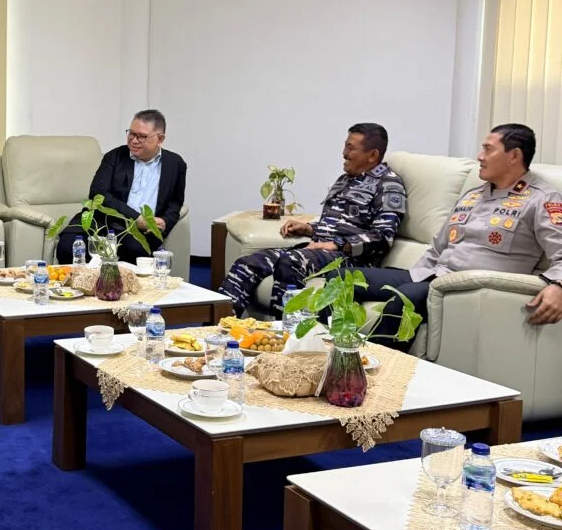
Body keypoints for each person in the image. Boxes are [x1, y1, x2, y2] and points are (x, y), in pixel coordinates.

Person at [357, 123, 562, 351]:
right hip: (431, 276)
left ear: (514, 155)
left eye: (488, 149)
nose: (480, 156)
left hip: (466, 290)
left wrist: (558, 286)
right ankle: (331, 356)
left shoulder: (541, 199)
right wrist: (414, 276)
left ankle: (370, 367)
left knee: (406, 297)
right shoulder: (472, 196)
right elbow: (437, 247)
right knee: (343, 279)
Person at [219, 123, 406, 316]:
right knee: (248, 263)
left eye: (350, 148)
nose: (344, 153)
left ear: (372, 155)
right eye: (345, 146)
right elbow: (337, 225)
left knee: (292, 261)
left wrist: (336, 244)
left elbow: (382, 238)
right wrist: (308, 229)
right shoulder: (345, 180)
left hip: (354, 261)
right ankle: (218, 326)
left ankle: (283, 330)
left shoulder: (389, 185)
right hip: (319, 251)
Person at [55, 109, 187, 265]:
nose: (134, 140)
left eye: (141, 136)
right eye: (131, 134)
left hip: (138, 232)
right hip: (101, 221)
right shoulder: (114, 157)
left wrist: (165, 222)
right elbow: (98, 194)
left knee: (134, 251)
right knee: (68, 246)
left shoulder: (175, 164)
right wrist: (136, 218)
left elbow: (175, 202)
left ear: (160, 139)